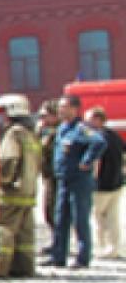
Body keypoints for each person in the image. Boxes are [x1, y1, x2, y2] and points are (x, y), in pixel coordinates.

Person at [47, 94, 106, 268]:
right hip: (63, 179)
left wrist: (87, 161)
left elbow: (99, 142)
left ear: (74, 109)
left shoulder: (81, 129)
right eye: (59, 107)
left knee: (80, 219)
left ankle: (83, 257)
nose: (60, 110)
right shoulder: (62, 128)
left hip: (79, 181)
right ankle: (59, 256)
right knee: (60, 219)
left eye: (64, 106)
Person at [0, 95, 41, 277]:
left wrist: (1, 180)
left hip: (11, 193)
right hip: (28, 192)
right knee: (24, 234)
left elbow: (8, 159)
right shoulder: (30, 134)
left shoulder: (13, 133)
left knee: (4, 229)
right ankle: (24, 267)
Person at [86, 106, 123, 259]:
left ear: (97, 120)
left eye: (88, 119)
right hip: (117, 184)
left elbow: (96, 161)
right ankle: (114, 248)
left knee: (98, 217)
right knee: (113, 218)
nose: (86, 123)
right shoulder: (114, 135)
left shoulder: (96, 137)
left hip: (101, 185)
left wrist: (92, 180)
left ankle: (100, 248)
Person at [36, 101, 59, 254]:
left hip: (56, 177)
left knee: (53, 211)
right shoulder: (44, 131)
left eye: (45, 115)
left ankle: (59, 244)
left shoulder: (58, 132)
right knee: (48, 211)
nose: (42, 119)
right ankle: (56, 242)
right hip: (47, 176)